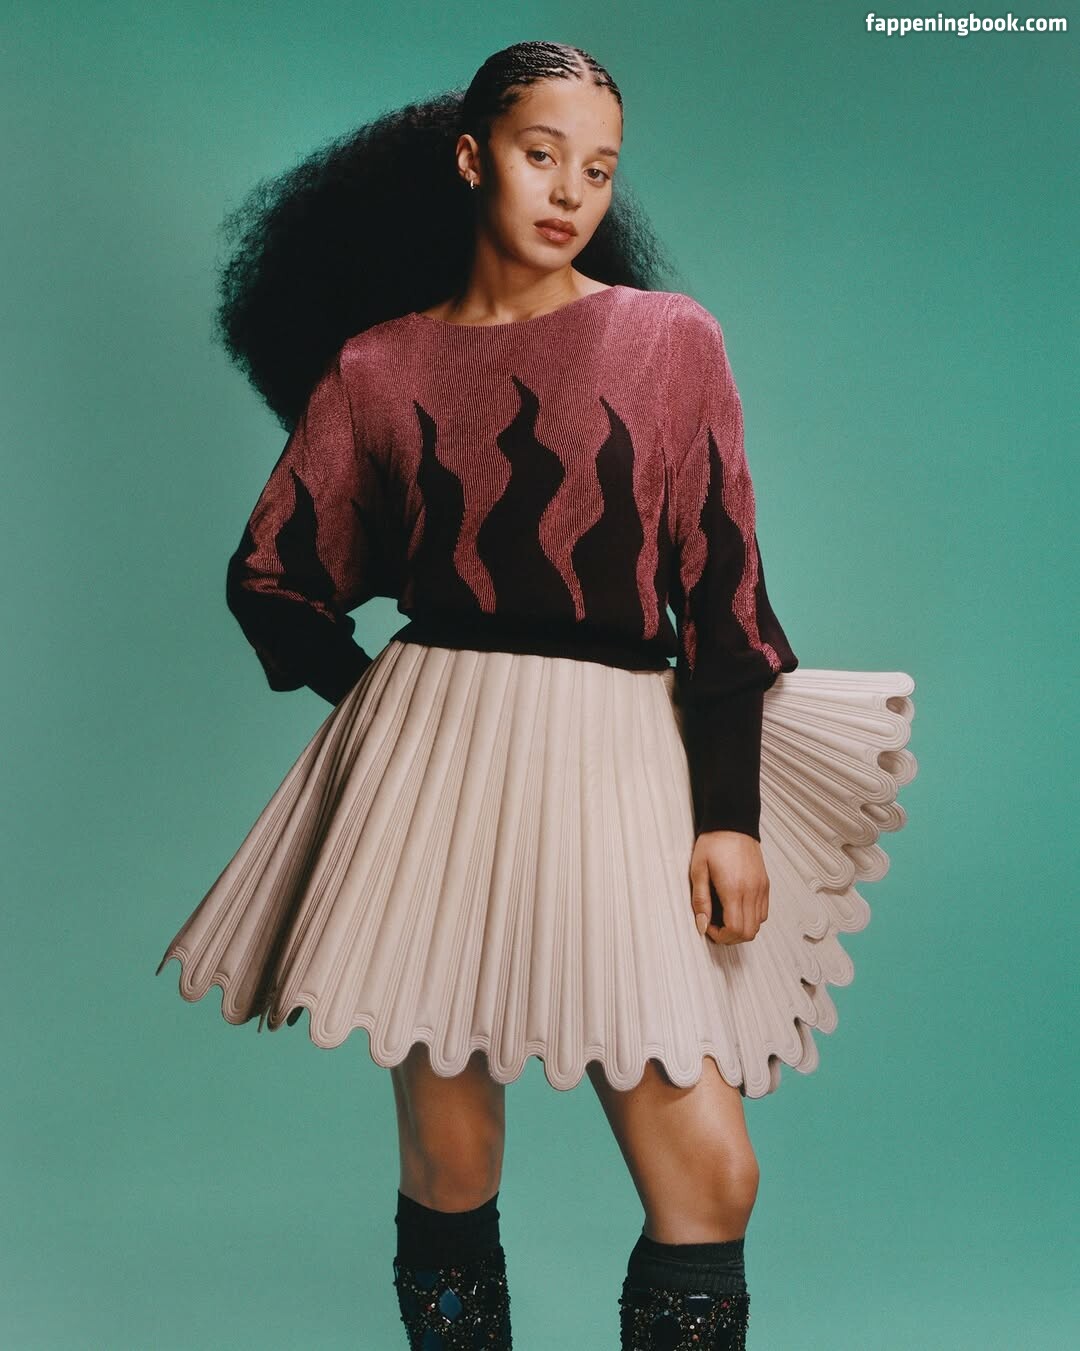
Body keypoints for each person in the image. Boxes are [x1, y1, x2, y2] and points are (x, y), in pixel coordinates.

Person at [155, 40, 917, 1351]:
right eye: (540, 153)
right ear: (472, 158)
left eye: (600, 169)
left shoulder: (668, 341)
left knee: (711, 1174)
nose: (571, 191)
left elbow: (723, 588)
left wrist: (728, 818)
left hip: (624, 751)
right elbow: (272, 576)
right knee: (451, 1158)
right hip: (435, 767)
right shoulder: (377, 367)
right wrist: (383, 720)